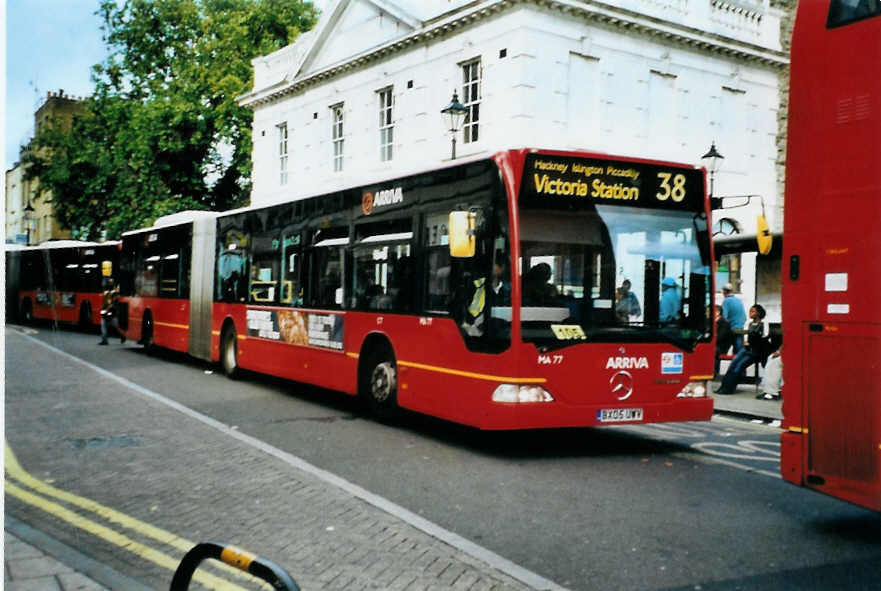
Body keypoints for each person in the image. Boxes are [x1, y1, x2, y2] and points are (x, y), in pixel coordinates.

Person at [715, 304, 769, 394]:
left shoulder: (764, 324)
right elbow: (746, 338)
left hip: (757, 350)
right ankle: (724, 386)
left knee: (739, 366)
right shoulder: (749, 324)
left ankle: (729, 388)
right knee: (733, 364)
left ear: (758, 313)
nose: (750, 313)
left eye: (753, 311)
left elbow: (765, 336)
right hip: (747, 348)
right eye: (750, 311)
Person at [721, 283, 746, 354]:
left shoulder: (726, 301)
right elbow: (744, 317)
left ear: (725, 292)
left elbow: (724, 317)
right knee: (738, 353)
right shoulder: (739, 301)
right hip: (740, 329)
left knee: (721, 350)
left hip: (731, 330)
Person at [98, 279, 125, 345]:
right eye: (109, 282)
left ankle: (123, 335)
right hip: (105, 310)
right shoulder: (106, 291)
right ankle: (104, 340)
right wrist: (103, 308)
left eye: (111, 282)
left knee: (115, 325)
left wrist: (109, 308)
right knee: (103, 324)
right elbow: (104, 300)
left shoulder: (115, 291)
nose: (110, 284)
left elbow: (115, 302)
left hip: (112, 311)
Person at [714, 304, 735, 377]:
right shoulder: (711, 321)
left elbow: (720, 337)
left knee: (713, 351)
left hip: (721, 346)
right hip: (715, 344)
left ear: (718, 312)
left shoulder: (725, 322)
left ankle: (714, 373)